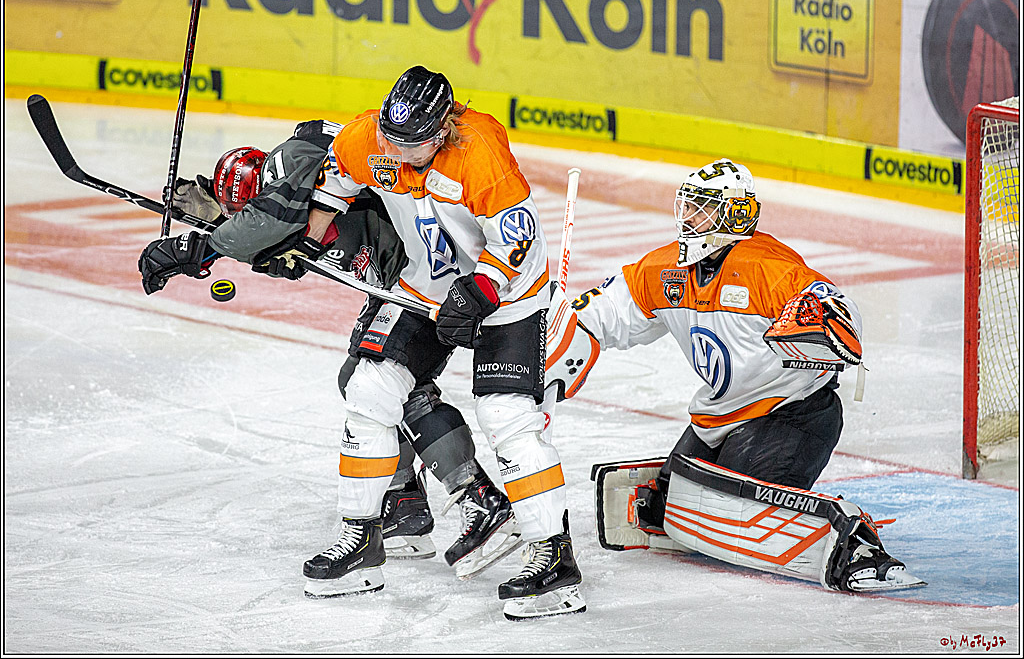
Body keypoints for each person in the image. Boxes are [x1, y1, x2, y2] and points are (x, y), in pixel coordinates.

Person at [136, 120, 525, 576]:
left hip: (434, 279)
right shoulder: (294, 199)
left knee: (380, 384)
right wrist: (217, 224)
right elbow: (285, 252)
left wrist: (203, 246)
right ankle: (407, 507)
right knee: (375, 384)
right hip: (408, 282)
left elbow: (274, 219)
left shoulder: (291, 162)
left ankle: (478, 500)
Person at [547, 158, 925, 593]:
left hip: (794, 415)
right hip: (718, 421)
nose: (688, 217)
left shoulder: (768, 266)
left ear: (736, 214)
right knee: (675, 509)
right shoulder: (666, 268)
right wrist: (560, 340)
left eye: (701, 208)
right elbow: (607, 310)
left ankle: (855, 547)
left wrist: (826, 319)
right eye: (686, 206)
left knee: (724, 511)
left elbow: (834, 308)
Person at [305, 65, 585, 620]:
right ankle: (363, 540)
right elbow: (332, 189)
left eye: (411, 142)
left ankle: (553, 557)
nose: (394, 148)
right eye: (390, 134)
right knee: (369, 391)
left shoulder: (480, 150)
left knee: (507, 418)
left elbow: (518, 240)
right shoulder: (369, 138)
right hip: (421, 286)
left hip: (508, 294)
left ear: (442, 132)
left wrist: (479, 293)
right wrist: (307, 242)